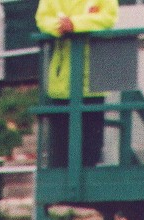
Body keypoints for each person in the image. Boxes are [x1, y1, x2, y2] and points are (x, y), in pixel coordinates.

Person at [35, 0, 118, 168]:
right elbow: (42, 18)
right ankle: (63, 192)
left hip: (92, 83)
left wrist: (74, 24)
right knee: (60, 153)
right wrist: (60, 26)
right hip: (61, 84)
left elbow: (108, 17)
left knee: (90, 153)